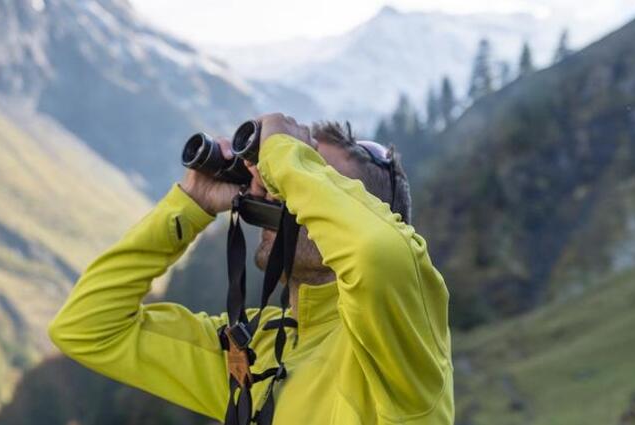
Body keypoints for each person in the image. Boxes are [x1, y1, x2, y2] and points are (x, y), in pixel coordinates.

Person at [48, 113, 454, 424]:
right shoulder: (256, 350)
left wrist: (283, 154)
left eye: (313, 182)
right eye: (280, 183)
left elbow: (377, 251)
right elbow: (87, 328)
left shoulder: (401, 339)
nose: (277, 192)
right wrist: (192, 204)